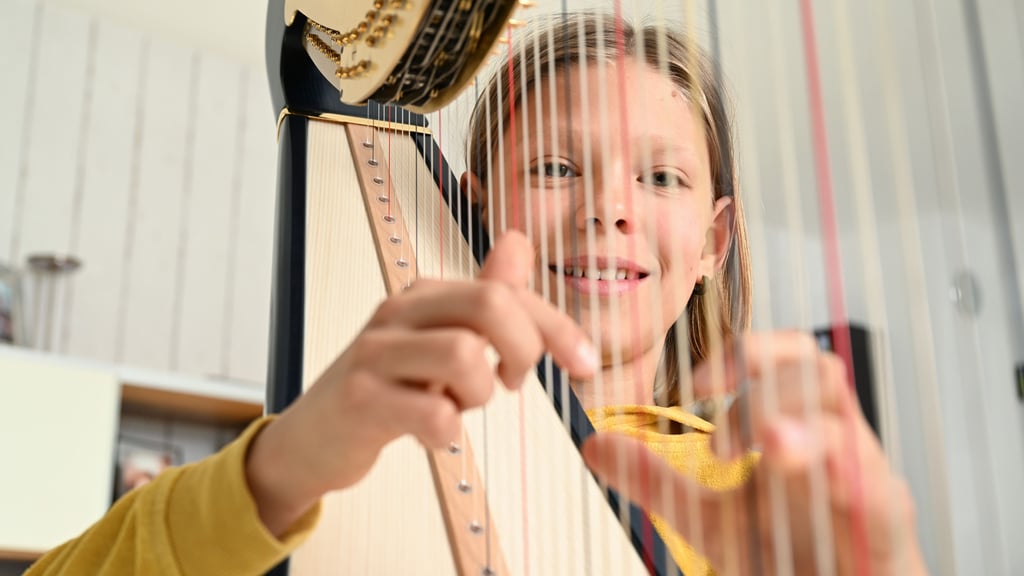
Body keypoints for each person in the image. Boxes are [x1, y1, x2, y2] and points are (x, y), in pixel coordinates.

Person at [26, 13, 926, 576]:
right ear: (475, 207)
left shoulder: (773, 496)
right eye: (556, 166)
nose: (609, 208)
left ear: (712, 246)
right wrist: (278, 469)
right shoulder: (353, 437)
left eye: (660, 176)